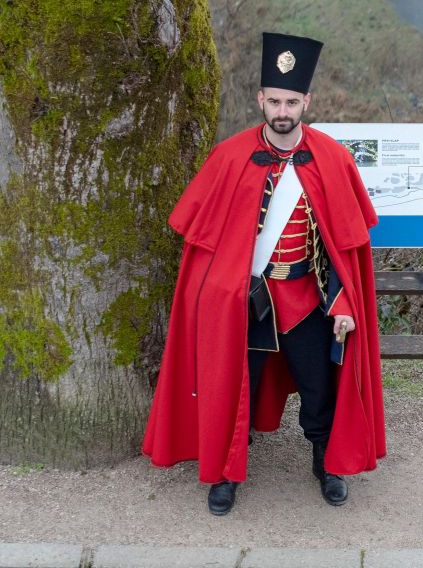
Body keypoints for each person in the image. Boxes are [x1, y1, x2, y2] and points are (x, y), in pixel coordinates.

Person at [142, 32, 385, 515]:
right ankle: (226, 472)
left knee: (319, 385)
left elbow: (344, 249)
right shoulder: (230, 157)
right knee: (236, 386)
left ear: (306, 101)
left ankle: (325, 461)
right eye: (274, 100)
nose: (282, 110)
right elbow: (207, 247)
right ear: (260, 99)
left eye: (291, 101)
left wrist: (343, 304)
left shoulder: (332, 159)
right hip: (247, 300)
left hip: (307, 301)